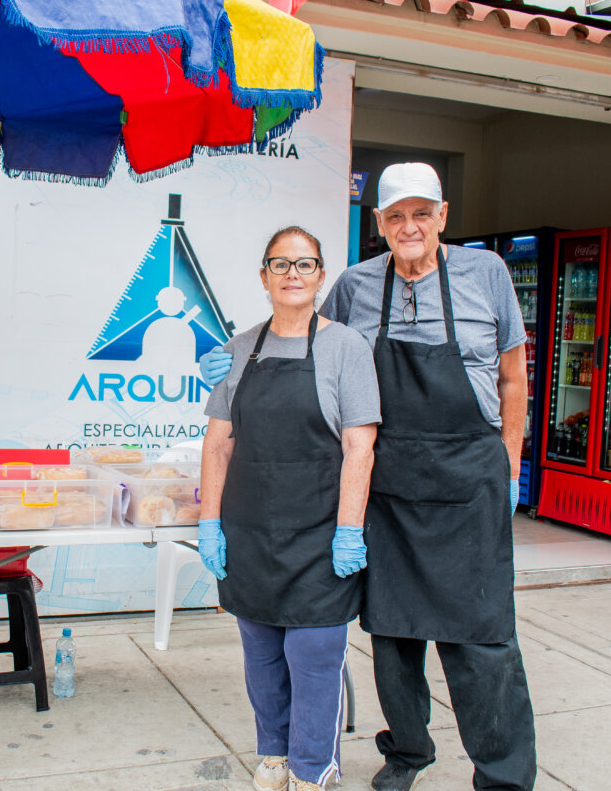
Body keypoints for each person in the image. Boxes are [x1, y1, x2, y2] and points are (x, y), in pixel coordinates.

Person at [201, 164, 536, 791]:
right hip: (389, 484)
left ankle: (503, 776)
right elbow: (306, 336)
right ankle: (407, 753)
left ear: (443, 216)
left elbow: (514, 376)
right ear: (378, 225)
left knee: (482, 640)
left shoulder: (487, 274)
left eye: (422, 213)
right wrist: (231, 361)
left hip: (469, 477)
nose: (409, 226)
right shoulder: (354, 286)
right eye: (395, 216)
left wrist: (510, 464)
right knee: (392, 637)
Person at [198, 225, 380, 791]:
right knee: (261, 655)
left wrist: (349, 530)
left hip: (320, 532)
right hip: (250, 531)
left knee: (315, 652)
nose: (293, 275)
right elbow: (218, 442)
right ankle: (273, 753)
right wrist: (209, 522)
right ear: (263, 277)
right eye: (281, 265)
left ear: (321, 275)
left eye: (305, 265)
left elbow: (360, 445)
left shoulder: (346, 347)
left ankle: (312, 766)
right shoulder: (237, 350)